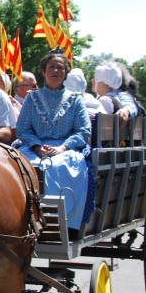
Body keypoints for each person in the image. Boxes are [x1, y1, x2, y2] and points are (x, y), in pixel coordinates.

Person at [16, 49, 91, 231]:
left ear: (65, 73)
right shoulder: (32, 97)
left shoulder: (75, 100)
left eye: (60, 68)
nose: (55, 71)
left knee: (56, 167)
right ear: (44, 71)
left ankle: (58, 223)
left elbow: (84, 131)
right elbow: (22, 129)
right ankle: (20, 218)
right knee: (21, 166)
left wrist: (63, 148)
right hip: (34, 146)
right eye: (51, 67)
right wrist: (36, 146)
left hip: (65, 149)